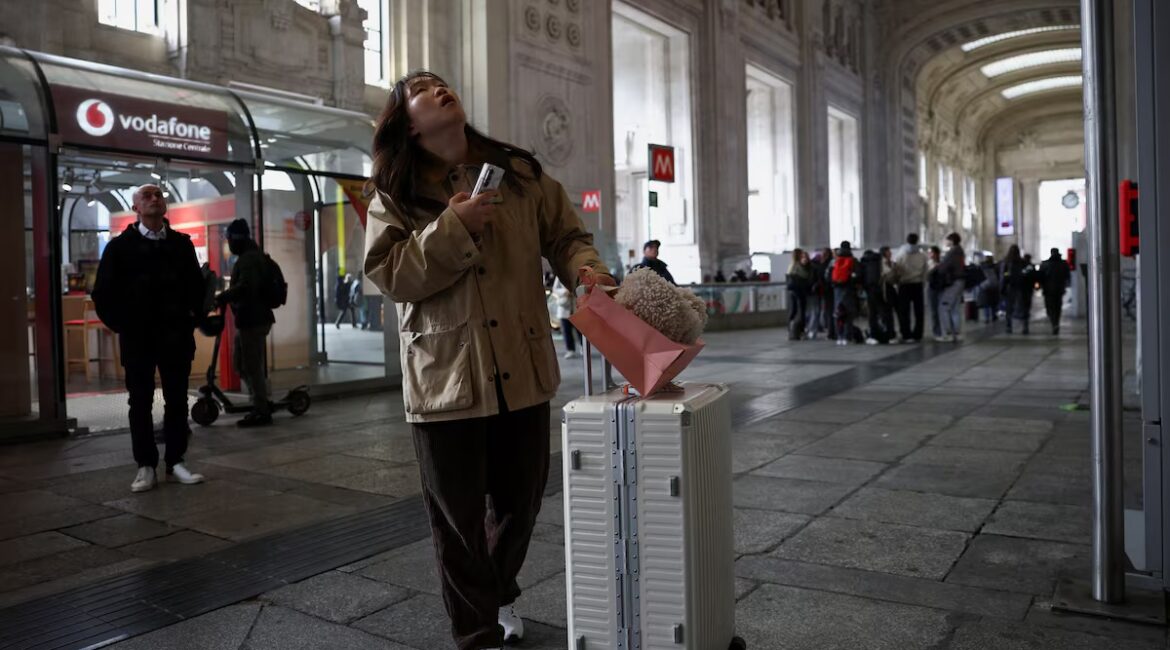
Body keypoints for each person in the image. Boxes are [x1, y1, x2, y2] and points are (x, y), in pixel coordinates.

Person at [362, 70, 615, 650]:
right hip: (444, 377)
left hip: (520, 370)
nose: (439, 89)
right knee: (456, 523)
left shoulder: (520, 174)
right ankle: (474, 631)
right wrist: (453, 228)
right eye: (422, 89)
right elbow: (391, 275)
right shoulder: (394, 192)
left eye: (441, 83)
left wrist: (587, 271)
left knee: (521, 502)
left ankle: (493, 593)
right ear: (407, 120)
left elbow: (567, 235)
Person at [92, 185, 206, 493]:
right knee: (139, 401)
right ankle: (145, 466)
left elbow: (197, 289)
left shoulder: (181, 244)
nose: (155, 199)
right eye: (147, 196)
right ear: (136, 208)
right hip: (139, 338)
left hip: (175, 336)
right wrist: (123, 325)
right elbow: (102, 294)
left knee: (177, 399)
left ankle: (176, 460)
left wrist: (191, 320)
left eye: (159, 195)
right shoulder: (120, 247)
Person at [215, 219, 276, 428]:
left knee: (251, 366)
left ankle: (261, 410)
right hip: (251, 319)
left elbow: (246, 286)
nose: (229, 243)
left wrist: (223, 297)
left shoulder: (249, 259)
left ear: (237, 239)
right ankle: (259, 402)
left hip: (254, 319)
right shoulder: (248, 256)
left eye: (230, 238)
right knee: (242, 364)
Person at [894, 233, 928, 343]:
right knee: (919, 311)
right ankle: (918, 334)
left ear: (907, 240)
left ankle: (906, 334)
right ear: (917, 240)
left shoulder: (901, 253)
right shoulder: (922, 255)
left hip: (904, 285)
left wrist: (897, 281)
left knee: (904, 311)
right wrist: (922, 281)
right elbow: (925, 271)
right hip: (917, 284)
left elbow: (896, 269)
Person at [829, 241, 859, 346]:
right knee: (848, 313)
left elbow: (827, 275)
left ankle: (839, 337)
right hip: (849, 290)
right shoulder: (853, 260)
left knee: (838, 313)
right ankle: (847, 336)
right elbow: (858, 274)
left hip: (837, 290)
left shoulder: (835, 261)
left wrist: (834, 284)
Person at [937, 233, 966, 342]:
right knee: (955, 308)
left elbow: (943, 267)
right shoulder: (960, 251)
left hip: (953, 282)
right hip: (960, 281)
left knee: (944, 306)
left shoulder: (953, 252)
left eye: (947, 240)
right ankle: (957, 333)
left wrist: (938, 267)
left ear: (952, 240)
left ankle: (947, 334)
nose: (946, 242)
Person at [999, 244, 1031, 334]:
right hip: (1021, 288)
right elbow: (1027, 274)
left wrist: (1002, 288)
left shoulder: (1006, 262)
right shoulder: (1023, 262)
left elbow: (1004, 276)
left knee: (1009, 309)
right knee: (1023, 308)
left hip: (1010, 287)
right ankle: (1025, 327)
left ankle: (1009, 326)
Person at [1039, 247, 1071, 335]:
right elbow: (1067, 276)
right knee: (1057, 307)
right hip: (1059, 289)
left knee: (1050, 308)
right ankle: (1056, 323)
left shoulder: (1045, 264)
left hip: (1048, 290)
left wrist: (1040, 286)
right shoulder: (1063, 264)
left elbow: (1040, 277)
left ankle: (1054, 323)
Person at [785, 248, 812, 341]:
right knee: (799, 312)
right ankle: (796, 331)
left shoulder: (791, 265)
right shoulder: (797, 266)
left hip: (793, 292)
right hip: (798, 292)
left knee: (794, 311)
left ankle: (792, 331)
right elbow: (803, 277)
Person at [553, 277, 580, 358]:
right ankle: (570, 349)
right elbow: (555, 288)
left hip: (576, 306)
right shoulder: (559, 276)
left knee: (580, 330)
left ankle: (582, 346)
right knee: (566, 330)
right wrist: (565, 292)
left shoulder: (577, 274)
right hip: (564, 306)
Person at [806, 250, 828, 340]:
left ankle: (810, 329)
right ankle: (812, 330)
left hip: (810, 292)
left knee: (811, 311)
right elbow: (819, 280)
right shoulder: (818, 267)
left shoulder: (809, 266)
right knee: (816, 311)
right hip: (816, 292)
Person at [926, 245, 944, 340]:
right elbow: (927, 276)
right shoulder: (929, 263)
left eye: (931, 252)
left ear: (936, 254)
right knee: (934, 311)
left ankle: (943, 329)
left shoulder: (941, 263)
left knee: (941, 310)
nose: (929, 254)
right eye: (929, 253)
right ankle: (937, 331)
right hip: (932, 288)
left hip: (940, 288)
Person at [976, 254, 1001, 324]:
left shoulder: (982, 266)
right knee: (993, 302)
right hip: (995, 285)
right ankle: (993, 316)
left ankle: (987, 317)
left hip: (985, 286)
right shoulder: (996, 267)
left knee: (986, 303)